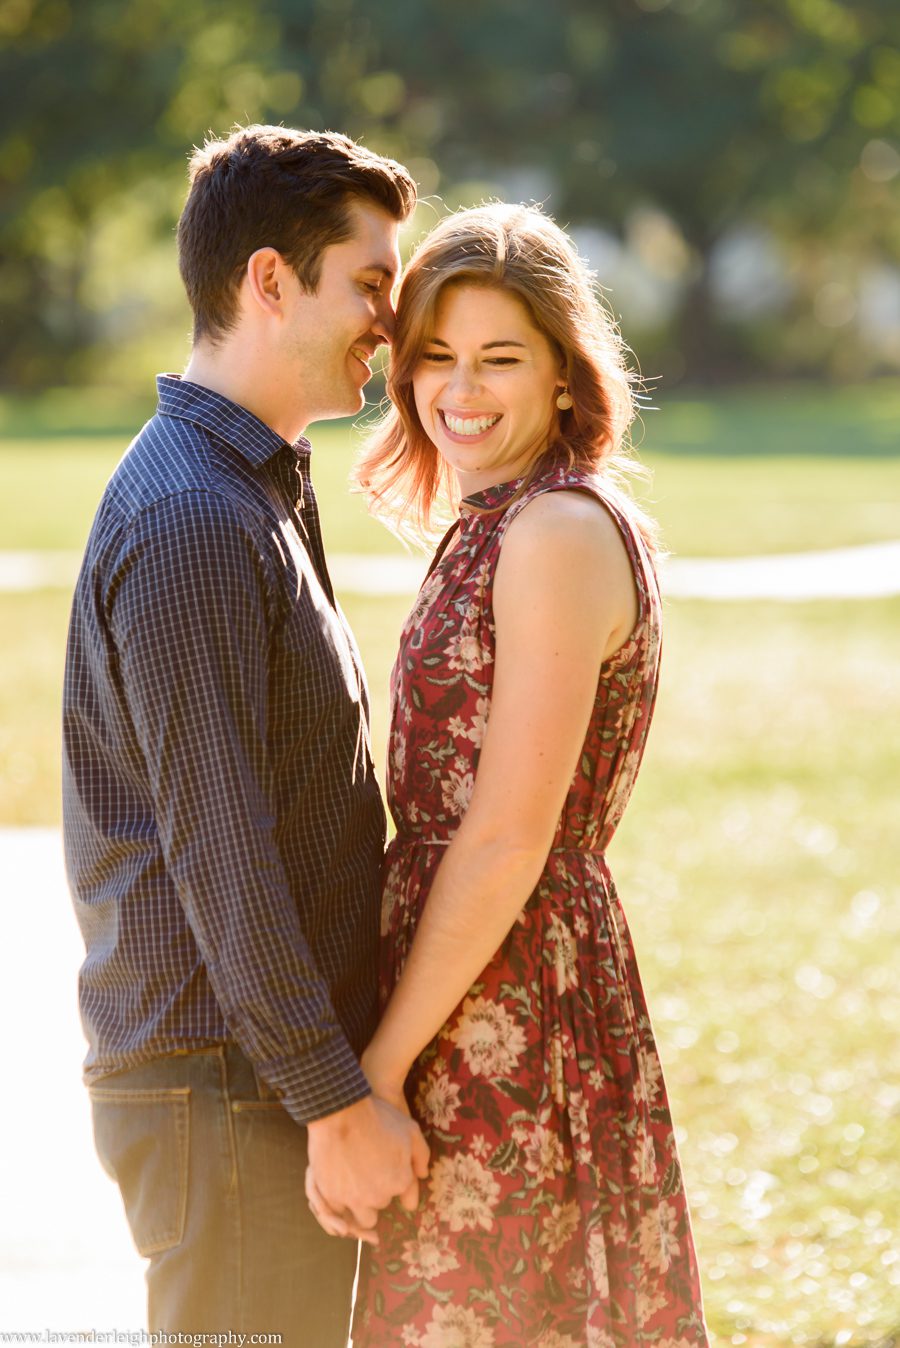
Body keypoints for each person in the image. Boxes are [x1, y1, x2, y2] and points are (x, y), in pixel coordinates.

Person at [307, 203, 709, 1345]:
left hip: (511, 996)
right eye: (435, 354)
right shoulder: (495, 518)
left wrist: (373, 1078)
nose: (458, 389)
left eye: (499, 358)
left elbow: (504, 840)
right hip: (462, 975)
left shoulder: (555, 535)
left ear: (566, 377)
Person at [61, 125, 429, 1343]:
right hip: (227, 1088)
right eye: (371, 282)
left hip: (250, 1082)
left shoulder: (249, 487)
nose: (394, 317)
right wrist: (335, 1103)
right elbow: (223, 849)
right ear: (270, 281)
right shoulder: (194, 522)